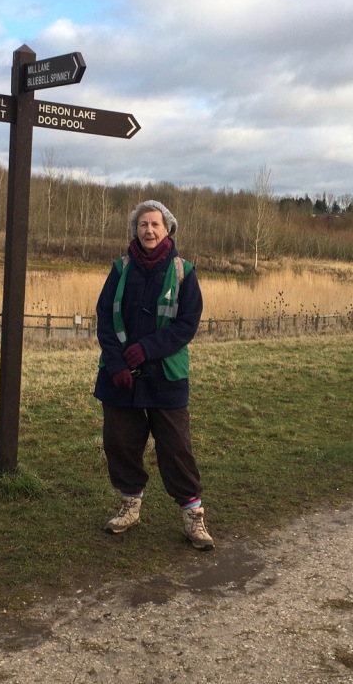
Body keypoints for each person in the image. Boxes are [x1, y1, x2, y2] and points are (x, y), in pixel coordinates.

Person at [93, 200, 214, 550]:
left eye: (155, 224)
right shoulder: (120, 269)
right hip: (120, 376)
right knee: (121, 442)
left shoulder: (183, 272)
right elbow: (105, 316)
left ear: (168, 229)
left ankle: (194, 518)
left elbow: (186, 324)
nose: (149, 230)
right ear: (136, 230)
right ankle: (130, 506)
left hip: (165, 373)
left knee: (176, 446)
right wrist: (116, 363)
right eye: (143, 224)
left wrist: (147, 349)